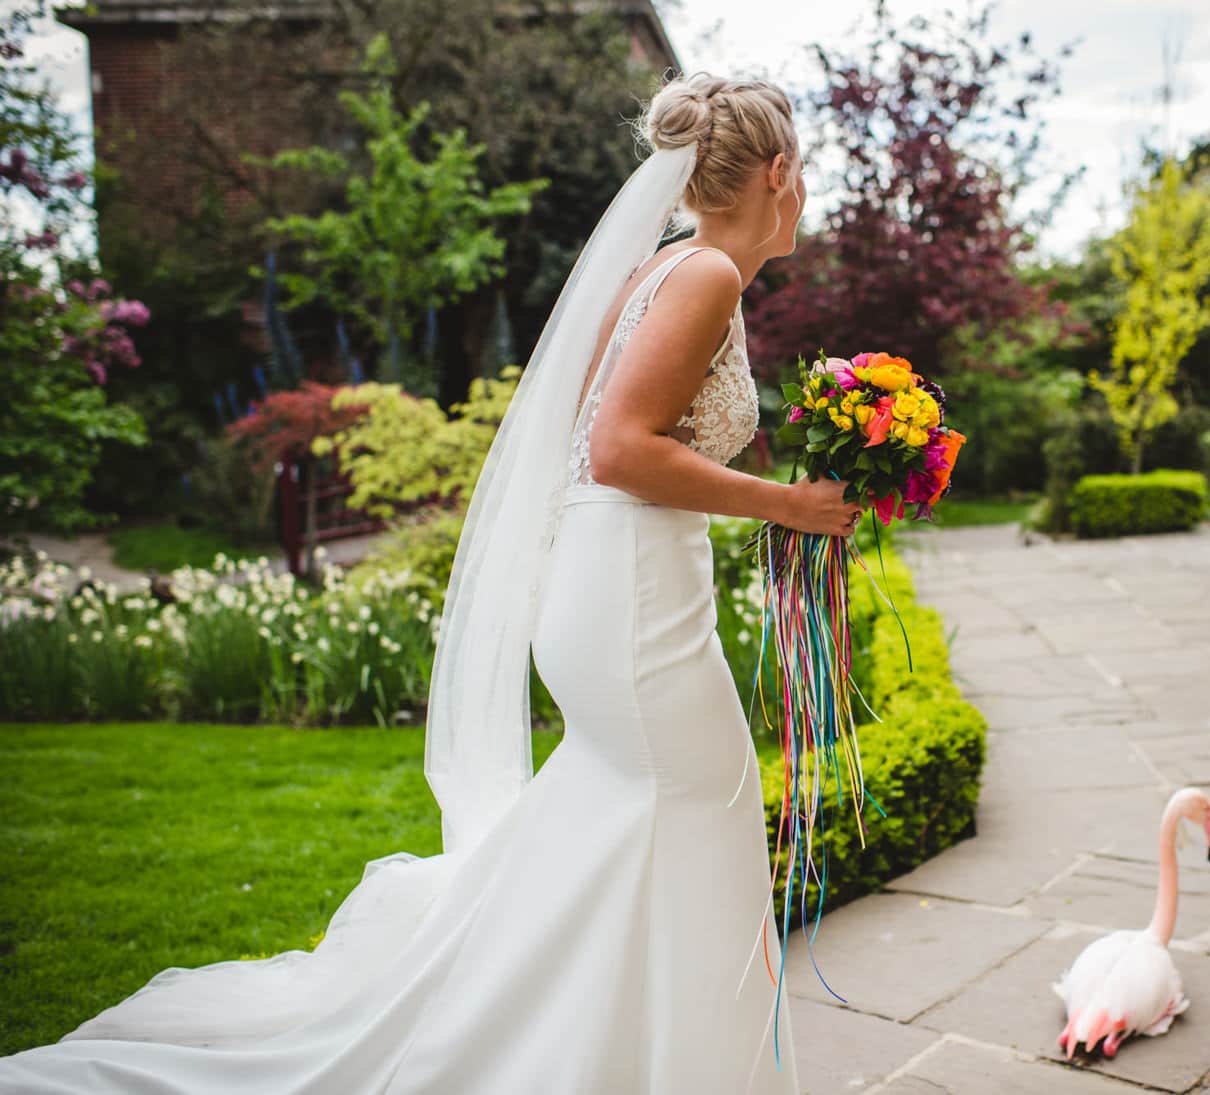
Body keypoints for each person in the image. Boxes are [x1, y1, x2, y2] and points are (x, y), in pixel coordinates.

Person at [0, 74, 856, 1094]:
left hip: (614, 596)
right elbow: (620, 450)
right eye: (802, 165)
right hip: (633, 612)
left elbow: (630, 446)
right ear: (778, 171)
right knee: (702, 813)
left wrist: (789, 496)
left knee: (628, 831)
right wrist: (785, 507)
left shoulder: (666, 270)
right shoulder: (703, 273)